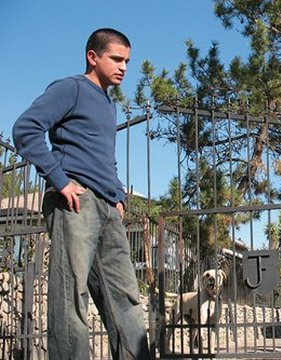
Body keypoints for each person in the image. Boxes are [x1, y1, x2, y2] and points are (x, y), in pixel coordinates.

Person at [12, 28, 151, 360]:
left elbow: (105, 157)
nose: (124, 67)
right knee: (70, 296)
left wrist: (118, 197)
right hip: (76, 202)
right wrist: (59, 180)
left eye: (127, 61)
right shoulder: (70, 88)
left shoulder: (108, 105)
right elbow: (25, 129)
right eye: (116, 59)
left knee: (126, 297)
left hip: (107, 208)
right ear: (93, 56)